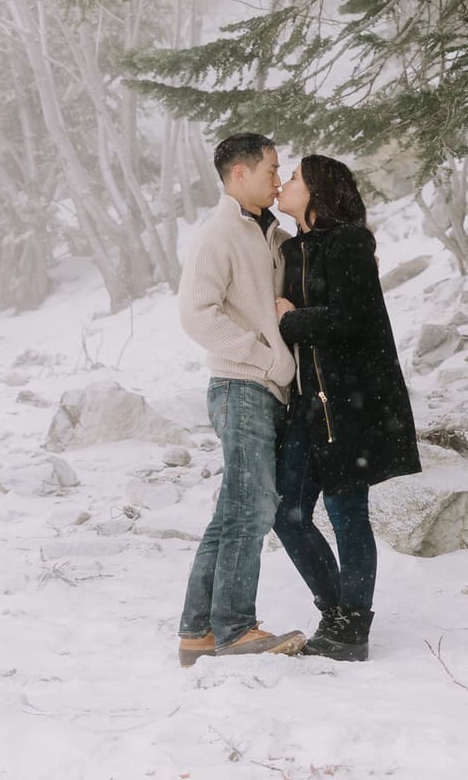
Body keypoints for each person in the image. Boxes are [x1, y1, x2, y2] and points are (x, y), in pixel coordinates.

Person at [270, 154, 423, 662]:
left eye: (293, 176)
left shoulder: (351, 242)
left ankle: (351, 628)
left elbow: (352, 319)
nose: (285, 182)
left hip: (350, 404)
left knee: (346, 510)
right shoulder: (292, 249)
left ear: (317, 189)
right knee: (286, 512)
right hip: (305, 404)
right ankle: (336, 609)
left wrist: (292, 320)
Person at [175, 133, 307, 664]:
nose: (278, 179)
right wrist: (265, 358)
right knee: (252, 510)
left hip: (265, 390)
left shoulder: (269, 235)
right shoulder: (219, 235)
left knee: (233, 510)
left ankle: (197, 632)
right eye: (272, 170)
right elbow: (197, 314)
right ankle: (235, 629)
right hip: (240, 385)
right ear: (239, 175)